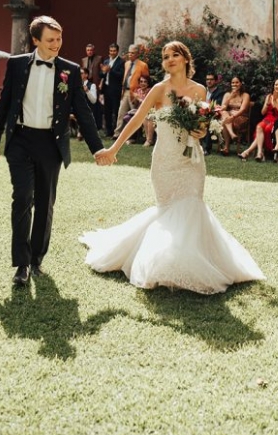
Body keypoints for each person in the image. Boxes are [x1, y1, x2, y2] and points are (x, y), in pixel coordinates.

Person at [81, 41, 265, 294]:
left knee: (192, 207)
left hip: (191, 162)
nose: (169, 59)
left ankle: (193, 263)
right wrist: (113, 149)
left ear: (186, 59)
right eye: (165, 56)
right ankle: (165, 263)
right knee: (168, 212)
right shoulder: (159, 89)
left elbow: (201, 127)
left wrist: (200, 130)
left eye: (174, 55)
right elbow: (136, 120)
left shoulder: (200, 90)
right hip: (165, 161)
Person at [0, 16, 106, 286]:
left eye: (59, 39)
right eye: (51, 40)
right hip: (20, 140)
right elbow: (4, 103)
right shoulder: (17, 65)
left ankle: (36, 257)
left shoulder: (70, 70)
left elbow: (84, 113)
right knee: (22, 198)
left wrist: (97, 148)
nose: (57, 44)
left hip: (51, 144)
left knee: (45, 203)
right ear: (36, 40)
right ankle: (21, 264)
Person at [240, 77, 278, 161]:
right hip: (267, 118)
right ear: (273, 86)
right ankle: (259, 152)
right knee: (259, 127)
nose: (277, 86)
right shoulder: (269, 96)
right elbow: (263, 112)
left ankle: (248, 152)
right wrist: (267, 104)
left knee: (266, 129)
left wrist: (275, 103)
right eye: (276, 85)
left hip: (277, 121)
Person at [114, 44, 150, 136]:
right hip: (125, 91)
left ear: (137, 54)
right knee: (121, 113)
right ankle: (117, 134)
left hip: (135, 93)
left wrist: (140, 93)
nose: (130, 55)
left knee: (133, 115)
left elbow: (146, 79)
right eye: (129, 53)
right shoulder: (127, 64)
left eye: (132, 53)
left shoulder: (143, 65)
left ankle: (132, 136)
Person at [218, 76, 250, 155]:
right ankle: (232, 135)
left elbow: (242, 110)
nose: (234, 84)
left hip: (241, 117)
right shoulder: (227, 94)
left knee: (225, 120)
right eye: (233, 82)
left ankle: (226, 147)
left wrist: (232, 117)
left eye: (237, 82)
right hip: (229, 116)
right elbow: (222, 108)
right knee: (224, 114)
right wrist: (230, 97)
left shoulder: (245, 95)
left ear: (240, 84)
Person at [100, 43, 124, 137]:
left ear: (117, 51)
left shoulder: (121, 62)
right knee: (107, 111)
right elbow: (101, 75)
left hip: (115, 90)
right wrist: (103, 71)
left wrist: (111, 70)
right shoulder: (106, 61)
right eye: (111, 51)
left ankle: (116, 131)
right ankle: (108, 131)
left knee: (116, 110)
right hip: (106, 89)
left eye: (114, 51)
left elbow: (121, 75)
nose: (112, 52)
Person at [201, 71, 226, 155]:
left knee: (209, 121)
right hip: (201, 113)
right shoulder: (202, 90)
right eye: (207, 79)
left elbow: (217, 106)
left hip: (213, 114)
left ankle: (207, 149)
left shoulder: (220, 93)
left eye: (211, 79)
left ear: (216, 81)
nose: (209, 81)